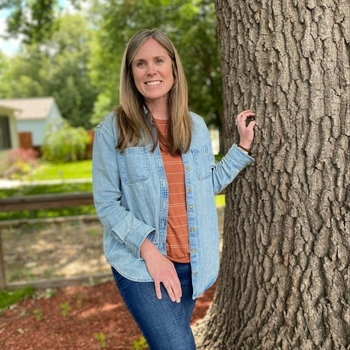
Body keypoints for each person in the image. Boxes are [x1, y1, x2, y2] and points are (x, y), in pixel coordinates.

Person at [92, 28, 256, 350]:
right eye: (140, 63)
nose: (151, 70)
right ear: (131, 74)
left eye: (158, 60)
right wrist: (151, 254)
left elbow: (204, 184)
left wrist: (242, 148)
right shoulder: (113, 129)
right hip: (143, 267)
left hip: (192, 265)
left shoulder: (193, 125)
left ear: (173, 67)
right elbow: (108, 204)